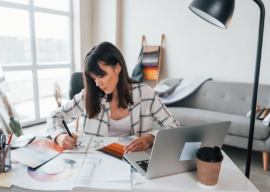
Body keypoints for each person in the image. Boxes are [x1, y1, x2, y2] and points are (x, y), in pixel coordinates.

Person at [47, 42, 180, 153]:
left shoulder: (145, 93)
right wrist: (59, 136)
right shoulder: (88, 95)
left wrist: (150, 138)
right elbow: (54, 116)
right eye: (93, 78)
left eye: (101, 76)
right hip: (96, 158)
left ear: (117, 67)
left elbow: (173, 126)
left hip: (133, 159)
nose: (97, 83)